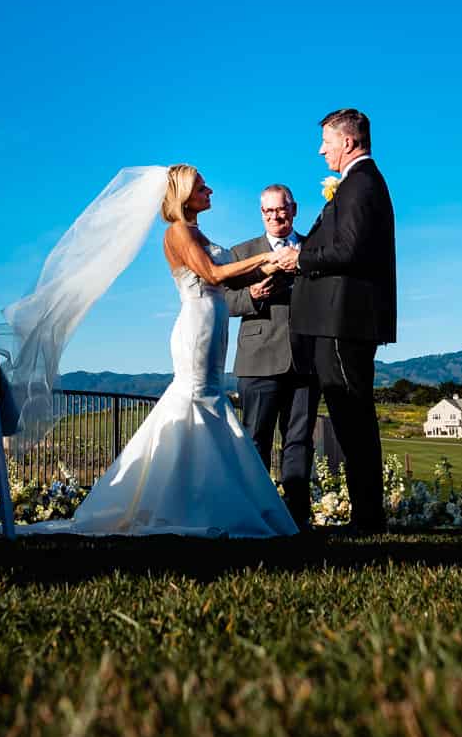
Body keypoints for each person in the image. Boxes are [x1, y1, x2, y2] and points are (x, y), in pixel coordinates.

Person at [24, 166, 296, 537]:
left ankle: (201, 498)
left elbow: (224, 275)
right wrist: (266, 260)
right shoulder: (178, 232)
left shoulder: (196, 231)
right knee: (197, 398)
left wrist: (265, 267)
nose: (210, 191)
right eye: (202, 187)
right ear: (184, 194)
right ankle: (190, 503)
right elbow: (213, 275)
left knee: (206, 399)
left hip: (214, 324)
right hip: (197, 324)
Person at [280, 108, 398, 533]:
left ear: (348, 142)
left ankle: (368, 517)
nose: (321, 149)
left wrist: (300, 257)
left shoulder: (362, 184)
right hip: (336, 319)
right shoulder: (355, 185)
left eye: (326, 141)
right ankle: (367, 514)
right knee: (351, 417)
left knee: (353, 417)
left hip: (342, 319)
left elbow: (350, 250)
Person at [226, 184, 321, 526]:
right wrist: (251, 294)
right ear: (261, 214)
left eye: (281, 210)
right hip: (258, 358)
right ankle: (255, 516)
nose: (276, 216)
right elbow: (221, 299)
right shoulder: (242, 252)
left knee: (299, 441)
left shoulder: (315, 248)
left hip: (306, 359)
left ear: (293, 209)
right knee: (255, 440)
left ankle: (297, 519)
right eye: (268, 211)